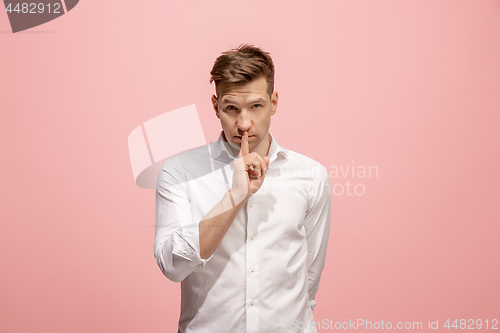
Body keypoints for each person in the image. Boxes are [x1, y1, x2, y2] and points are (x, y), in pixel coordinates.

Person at [154, 44, 331, 333]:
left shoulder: (311, 175)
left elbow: (309, 273)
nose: (244, 124)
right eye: (231, 108)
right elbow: (173, 267)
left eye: (256, 106)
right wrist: (235, 197)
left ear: (274, 102)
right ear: (215, 106)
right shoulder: (179, 172)